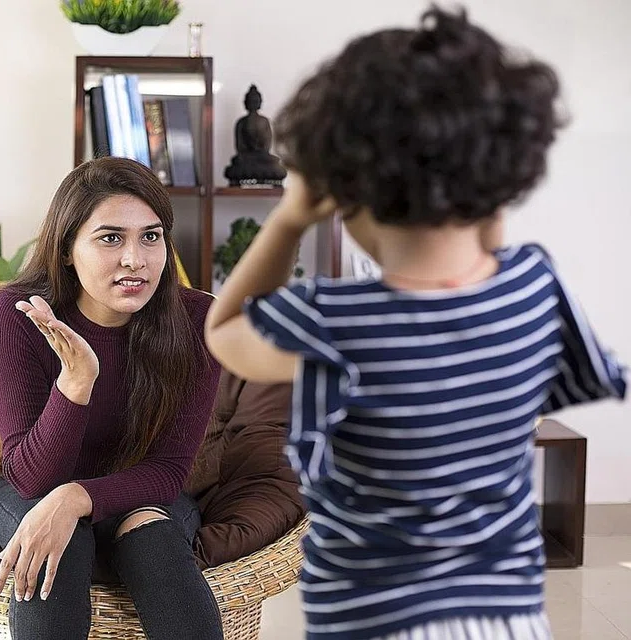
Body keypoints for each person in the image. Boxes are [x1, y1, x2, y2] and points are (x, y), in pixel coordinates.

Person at [205, 6, 626, 640]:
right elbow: (497, 244)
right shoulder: (534, 289)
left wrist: (292, 217)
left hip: (374, 622)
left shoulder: (331, 322)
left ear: (343, 194)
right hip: (506, 618)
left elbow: (224, 329)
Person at [0, 156, 224, 640]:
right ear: (66, 248)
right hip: (31, 491)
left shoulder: (196, 320)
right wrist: (75, 383)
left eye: (151, 236)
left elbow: (168, 470)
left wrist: (78, 496)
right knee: (57, 552)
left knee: (156, 543)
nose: (135, 259)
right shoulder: (18, 315)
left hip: (143, 492)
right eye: (110, 238)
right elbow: (32, 475)